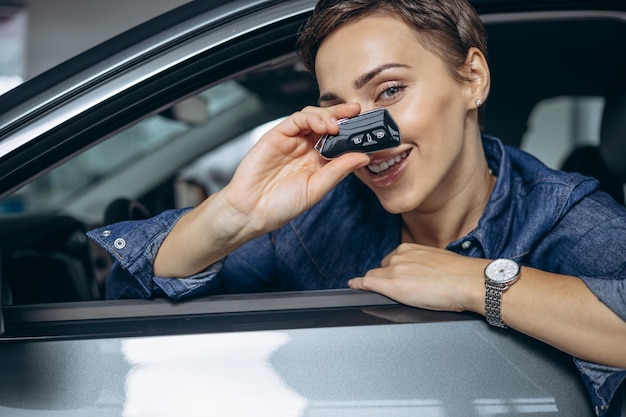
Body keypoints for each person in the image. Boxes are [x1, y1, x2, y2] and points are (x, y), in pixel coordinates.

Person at [88, 0, 626, 413]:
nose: (366, 136)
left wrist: (475, 282)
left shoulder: (562, 215)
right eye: (343, 113)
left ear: (472, 80)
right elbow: (132, 310)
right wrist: (235, 215)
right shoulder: (317, 218)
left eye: (390, 91)